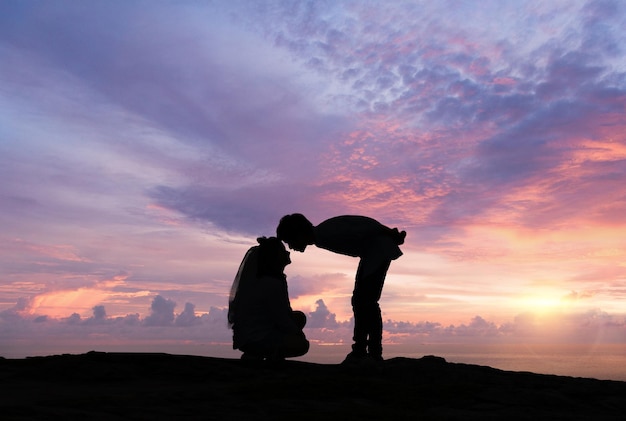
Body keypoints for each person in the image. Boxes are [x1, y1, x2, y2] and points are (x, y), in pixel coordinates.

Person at [277, 214, 405, 363]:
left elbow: (363, 225)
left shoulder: (326, 233)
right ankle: (363, 350)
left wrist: (389, 233)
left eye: (290, 241)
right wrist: (389, 233)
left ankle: (368, 352)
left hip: (377, 251)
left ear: (299, 233)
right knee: (362, 301)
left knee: (365, 301)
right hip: (371, 253)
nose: (291, 247)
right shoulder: (322, 236)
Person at [228, 236, 309, 361]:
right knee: (302, 345)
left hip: (252, 335)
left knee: (298, 318)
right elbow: (280, 316)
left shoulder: (269, 280)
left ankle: (265, 352)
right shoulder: (271, 283)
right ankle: (266, 354)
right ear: (275, 256)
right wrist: (297, 334)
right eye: (282, 250)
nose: (287, 252)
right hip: (256, 338)